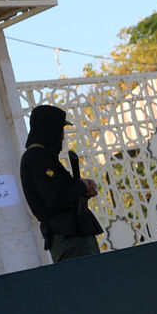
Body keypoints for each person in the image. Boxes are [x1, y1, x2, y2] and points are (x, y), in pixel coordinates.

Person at [20, 104, 103, 262]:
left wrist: (84, 187)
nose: (63, 136)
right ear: (50, 130)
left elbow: (62, 192)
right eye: (60, 130)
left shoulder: (45, 157)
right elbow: (54, 199)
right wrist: (80, 186)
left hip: (76, 238)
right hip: (69, 242)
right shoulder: (36, 157)